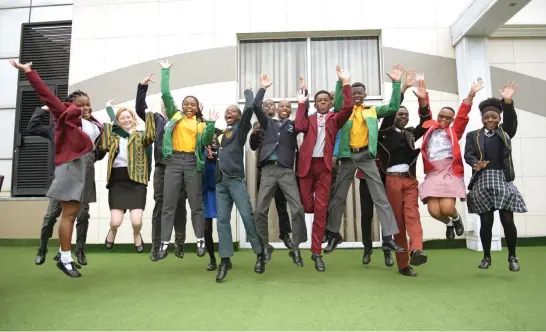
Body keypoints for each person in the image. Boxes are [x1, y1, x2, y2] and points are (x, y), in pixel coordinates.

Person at [11, 60, 103, 278]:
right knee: (68, 216)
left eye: (88, 104)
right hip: (70, 168)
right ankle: (64, 258)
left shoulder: (91, 122)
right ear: (71, 105)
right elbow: (45, 94)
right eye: (81, 104)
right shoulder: (65, 116)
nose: (85, 107)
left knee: (74, 215)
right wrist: (29, 72)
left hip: (82, 169)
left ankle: (66, 256)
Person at [324, 64, 406, 255]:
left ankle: (388, 237)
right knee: (338, 197)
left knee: (380, 196)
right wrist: (341, 82)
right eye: (354, 93)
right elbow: (337, 104)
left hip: (366, 157)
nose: (357, 96)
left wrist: (396, 83)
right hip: (348, 157)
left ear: (365, 94)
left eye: (360, 93)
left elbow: (394, 107)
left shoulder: (372, 111)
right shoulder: (344, 112)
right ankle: (334, 234)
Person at [156, 59, 217, 260]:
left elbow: (207, 140)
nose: (189, 106)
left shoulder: (200, 124)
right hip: (173, 162)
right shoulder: (175, 117)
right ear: (181, 106)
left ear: (197, 107)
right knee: (169, 204)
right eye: (186, 104)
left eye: (193, 104)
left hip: (192, 163)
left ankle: (200, 239)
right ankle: (164, 243)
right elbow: (166, 95)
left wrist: (210, 123)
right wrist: (165, 72)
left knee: (196, 204)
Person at [295, 65, 353, 272]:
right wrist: (302, 101)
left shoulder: (334, 119)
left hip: (325, 167)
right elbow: (298, 127)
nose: (322, 103)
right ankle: (313, 241)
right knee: (307, 206)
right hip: (306, 166)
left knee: (320, 211)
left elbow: (347, 108)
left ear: (329, 103)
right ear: (315, 103)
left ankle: (316, 252)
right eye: (318, 100)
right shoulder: (308, 119)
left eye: (325, 100)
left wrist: (345, 84)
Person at [356, 70, 417, 267]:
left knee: (386, 213)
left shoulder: (382, 129)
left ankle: (387, 251)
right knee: (367, 214)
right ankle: (367, 249)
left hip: (384, 176)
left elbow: (392, 111)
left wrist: (403, 87)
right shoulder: (359, 127)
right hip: (365, 175)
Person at [124, 74, 188, 261]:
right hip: (161, 167)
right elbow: (139, 108)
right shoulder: (156, 120)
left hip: (180, 167)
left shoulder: (182, 121)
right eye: (163, 104)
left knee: (179, 204)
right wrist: (142, 87)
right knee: (160, 204)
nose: (166, 107)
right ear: (161, 107)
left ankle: (180, 243)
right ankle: (157, 245)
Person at [464, 82, 525, 272]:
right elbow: (468, 154)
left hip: (502, 179)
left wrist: (508, 102)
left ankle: (512, 256)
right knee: (486, 222)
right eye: (486, 117)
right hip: (483, 180)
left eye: (494, 117)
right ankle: (487, 257)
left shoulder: (505, 133)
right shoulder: (473, 135)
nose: (490, 119)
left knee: (507, 220)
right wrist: (476, 163)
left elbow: (511, 122)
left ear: (499, 118)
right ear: (482, 118)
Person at [215, 75, 270, 282]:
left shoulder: (240, 130)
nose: (230, 113)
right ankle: (225, 259)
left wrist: (250, 93)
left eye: (233, 111)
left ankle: (259, 253)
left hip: (235, 180)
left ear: (238, 117)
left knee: (247, 217)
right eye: (227, 111)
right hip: (220, 182)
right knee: (222, 221)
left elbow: (248, 110)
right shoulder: (220, 134)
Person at [377, 76, 431, 277]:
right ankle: (403, 265)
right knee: (398, 224)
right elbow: (390, 113)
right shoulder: (385, 133)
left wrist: (423, 101)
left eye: (406, 115)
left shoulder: (410, 134)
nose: (404, 116)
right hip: (391, 181)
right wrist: (403, 88)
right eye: (400, 114)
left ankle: (417, 249)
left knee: (413, 215)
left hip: (409, 180)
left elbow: (426, 123)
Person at [419, 79, 484, 240]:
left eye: (448, 118)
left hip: (449, 170)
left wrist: (470, 95)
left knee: (447, 208)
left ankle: (456, 219)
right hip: (433, 172)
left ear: (452, 120)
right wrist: (422, 98)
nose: (444, 119)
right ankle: (449, 224)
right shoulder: (431, 128)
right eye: (441, 116)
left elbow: (462, 115)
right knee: (434, 211)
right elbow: (424, 112)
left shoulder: (454, 131)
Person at [253, 74, 307, 268]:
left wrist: (303, 97)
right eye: (281, 107)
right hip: (268, 171)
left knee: (297, 208)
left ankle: (296, 247)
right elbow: (256, 107)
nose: (284, 109)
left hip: (286, 171)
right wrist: (263, 88)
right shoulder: (269, 124)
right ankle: (265, 247)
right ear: (276, 110)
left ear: (290, 111)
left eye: (287, 107)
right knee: (260, 210)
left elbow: (303, 121)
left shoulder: (294, 126)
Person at [28, 106, 91, 267]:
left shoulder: (88, 129)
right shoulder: (55, 130)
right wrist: (42, 110)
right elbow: (32, 128)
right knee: (51, 216)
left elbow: (98, 151)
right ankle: (42, 248)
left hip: (79, 180)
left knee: (82, 215)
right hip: (60, 179)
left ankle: (79, 251)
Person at [100, 91, 156, 252]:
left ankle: (136, 234)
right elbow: (103, 146)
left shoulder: (140, 136)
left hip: (136, 181)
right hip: (118, 181)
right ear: (118, 122)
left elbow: (151, 136)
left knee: (136, 221)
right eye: (122, 118)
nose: (126, 120)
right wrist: (108, 109)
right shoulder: (114, 136)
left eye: (128, 117)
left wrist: (149, 114)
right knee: (115, 221)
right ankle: (113, 231)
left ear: (133, 119)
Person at [249, 93, 293, 249]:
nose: (268, 107)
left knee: (282, 203)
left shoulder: (280, 124)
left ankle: (285, 233)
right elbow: (253, 147)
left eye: (271, 105)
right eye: (265, 105)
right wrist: (254, 134)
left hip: (281, 168)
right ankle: (262, 239)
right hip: (264, 169)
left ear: (275, 109)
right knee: (262, 206)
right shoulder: (258, 124)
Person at [203, 129, 222, 271]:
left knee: (222, 226)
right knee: (206, 228)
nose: (213, 142)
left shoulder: (222, 154)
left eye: (215, 140)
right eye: (210, 140)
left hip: (220, 192)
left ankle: (225, 258)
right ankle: (212, 259)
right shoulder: (201, 153)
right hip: (205, 193)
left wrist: (215, 157)